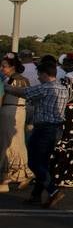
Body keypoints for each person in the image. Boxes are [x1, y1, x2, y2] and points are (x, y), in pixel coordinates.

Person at [21, 57, 68, 207]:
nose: (39, 78)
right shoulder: (62, 88)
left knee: (34, 162)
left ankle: (53, 191)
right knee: (43, 162)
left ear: (44, 74)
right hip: (55, 128)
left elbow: (24, 92)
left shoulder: (46, 87)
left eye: (39, 75)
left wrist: (7, 87)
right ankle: (36, 195)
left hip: (43, 128)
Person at [49, 55, 73, 198]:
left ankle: (61, 174)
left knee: (64, 141)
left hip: (68, 110)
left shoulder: (65, 79)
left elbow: (62, 98)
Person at [0, 54, 31, 193]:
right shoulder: (20, 79)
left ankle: (6, 177)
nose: (2, 68)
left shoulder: (14, 80)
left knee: (8, 143)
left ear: (12, 67)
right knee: (16, 142)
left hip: (11, 111)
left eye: (4, 66)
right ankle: (21, 174)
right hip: (16, 111)